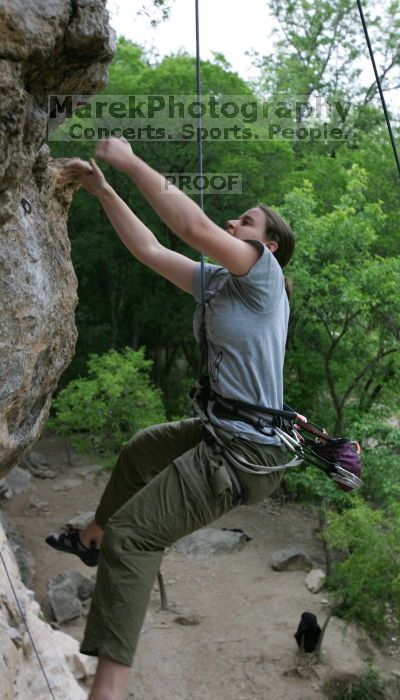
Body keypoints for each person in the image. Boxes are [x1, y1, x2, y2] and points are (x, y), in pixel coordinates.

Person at [47, 137, 295, 700]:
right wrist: (105, 190)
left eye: (247, 219)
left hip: (243, 455)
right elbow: (153, 251)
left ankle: (107, 690)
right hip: (223, 436)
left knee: (133, 539)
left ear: (270, 245)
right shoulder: (217, 285)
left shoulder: (263, 279)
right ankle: (90, 539)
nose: (235, 221)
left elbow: (192, 228)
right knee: (142, 448)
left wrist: (131, 161)